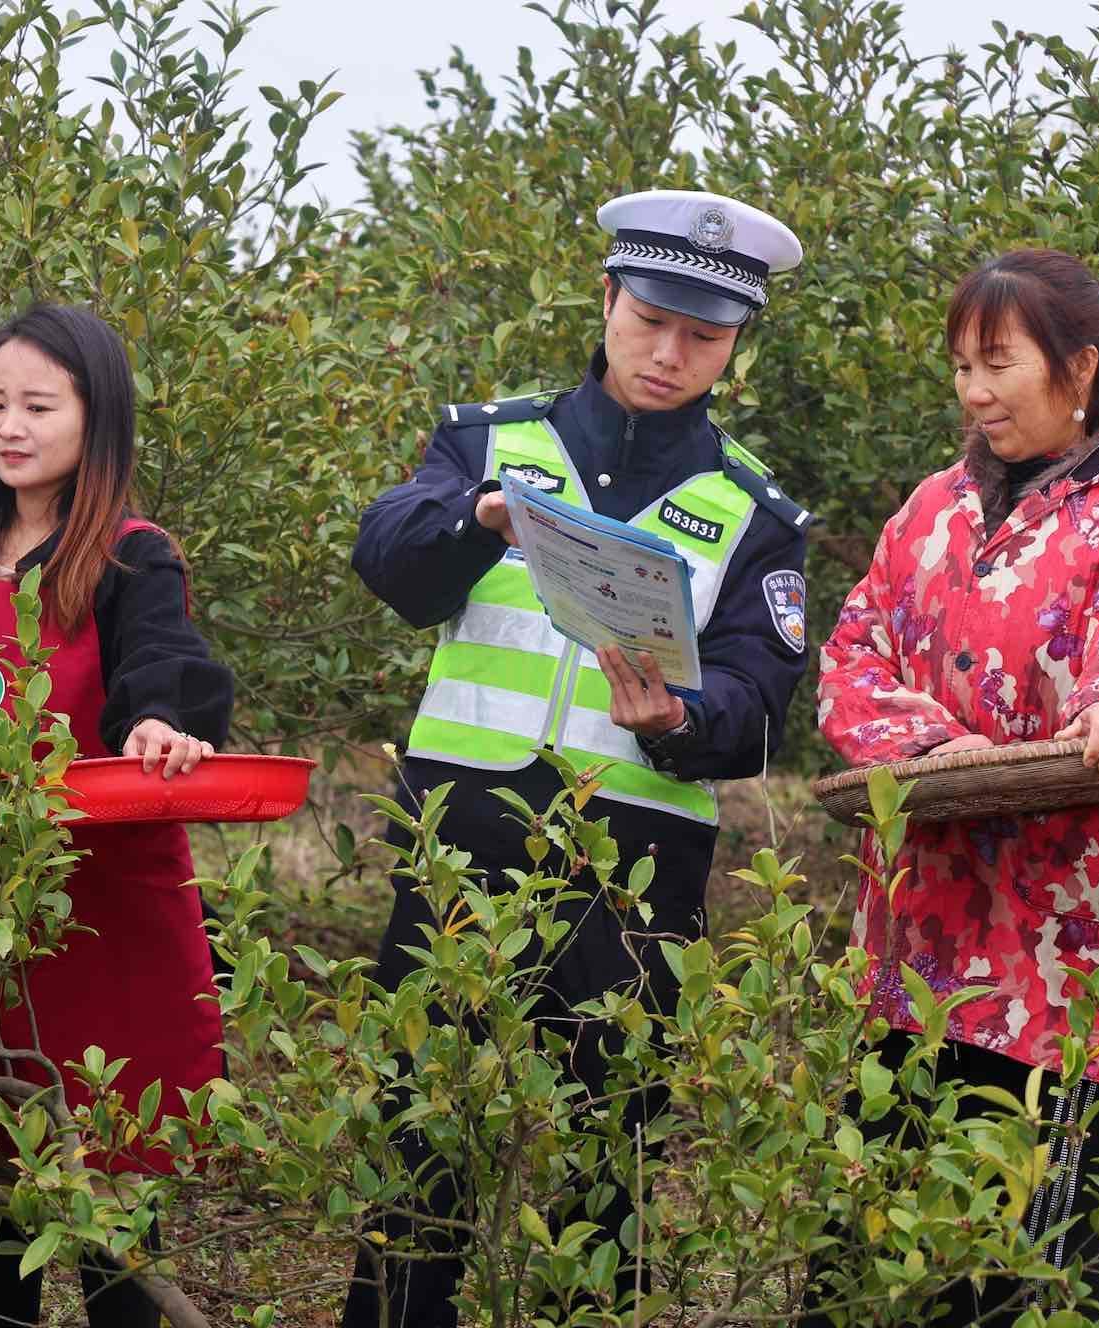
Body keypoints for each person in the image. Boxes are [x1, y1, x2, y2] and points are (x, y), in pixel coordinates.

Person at [345, 190, 816, 1327]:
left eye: (705, 336)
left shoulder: (757, 511)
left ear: (736, 346)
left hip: (637, 874)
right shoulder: (485, 442)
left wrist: (678, 722)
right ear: (605, 298)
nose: (670, 353)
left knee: (607, 1176)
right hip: (461, 849)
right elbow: (390, 562)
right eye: (651, 318)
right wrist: (484, 519)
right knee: (419, 1157)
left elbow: (763, 708)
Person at [811, 249, 1099, 1322]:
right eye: (960, 367)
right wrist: (940, 747)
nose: (974, 391)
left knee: (1045, 1265)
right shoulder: (932, 511)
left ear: (1079, 366)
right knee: (884, 1261)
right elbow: (853, 657)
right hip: (919, 945)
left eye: (997, 364)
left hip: (1068, 965)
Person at [0, 304, 232, 1328]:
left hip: (102, 913)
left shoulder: (133, 555)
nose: (10, 426)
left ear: (98, 422)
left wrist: (160, 723)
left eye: (38, 406)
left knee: (112, 1198)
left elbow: (163, 664)